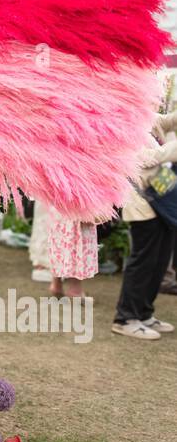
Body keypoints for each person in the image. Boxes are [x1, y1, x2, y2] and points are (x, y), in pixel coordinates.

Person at [112, 109, 177, 340]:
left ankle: (144, 313)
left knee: (160, 261)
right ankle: (126, 317)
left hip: (164, 198)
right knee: (143, 262)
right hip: (143, 204)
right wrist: (172, 150)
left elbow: (163, 121)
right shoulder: (120, 122)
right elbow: (144, 159)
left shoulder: (140, 115)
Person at [47, 214, 98, 299]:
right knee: (77, 241)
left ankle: (56, 284)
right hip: (78, 211)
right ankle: (75, 289)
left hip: (59, 209)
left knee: (60, 240)